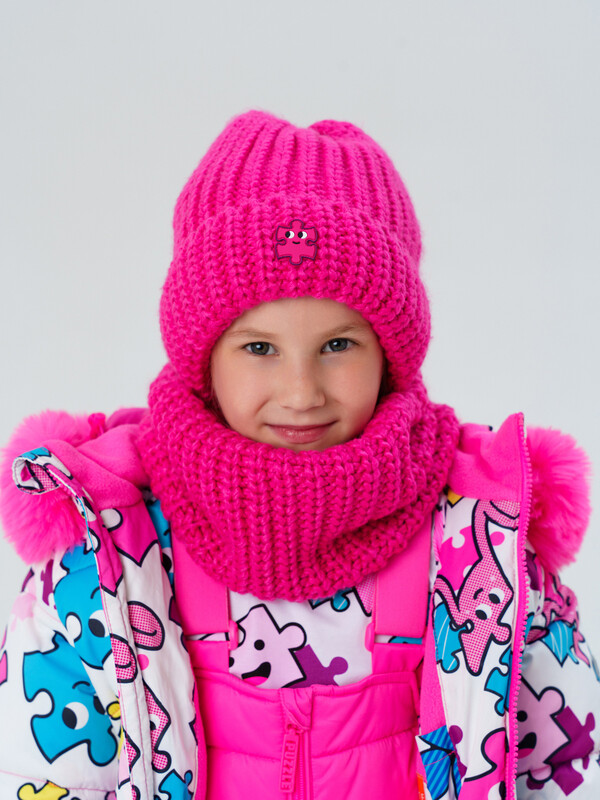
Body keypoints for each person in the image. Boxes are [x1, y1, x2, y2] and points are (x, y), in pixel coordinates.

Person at [0, 109, 598, 800]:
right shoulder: (114, 546)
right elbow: (44, 771)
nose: (301, 392)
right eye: (260, 348)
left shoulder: (474, 544)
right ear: (204, 359)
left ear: (390, 354)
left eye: (338, 345)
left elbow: (561, 765)